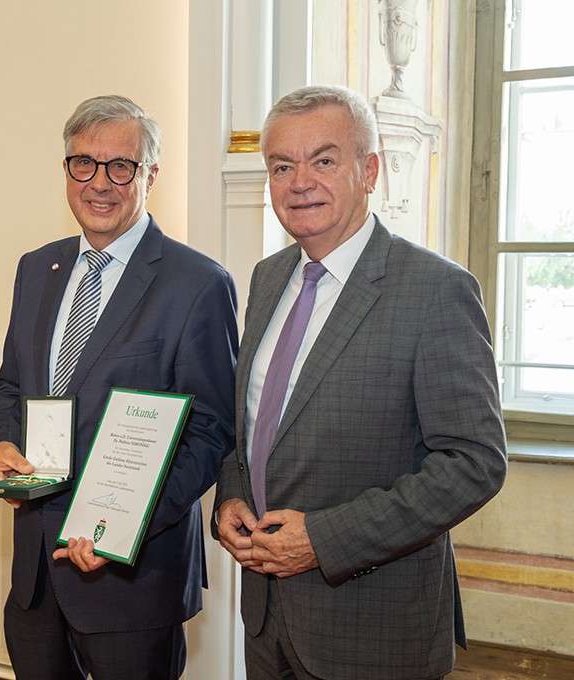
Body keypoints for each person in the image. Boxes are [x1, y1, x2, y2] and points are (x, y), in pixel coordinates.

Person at [214, 84, 507, 680]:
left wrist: (323, 538)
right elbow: (252, 425)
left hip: (372, 625)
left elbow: (474, 462)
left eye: (323, 160)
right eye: (281, 166)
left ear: (369, 170)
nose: (300, 182)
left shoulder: (435, 290)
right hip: (268, 619)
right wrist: (229, 497)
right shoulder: (268, 279)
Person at [0, 95, 239, 680]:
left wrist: (126, 524)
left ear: (150, 175)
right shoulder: (35, 267)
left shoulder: (198, 284)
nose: (100, 182)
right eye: (83, 163)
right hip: (36, 574)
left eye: (121, 166)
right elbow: (13, 387)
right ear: (66, 170)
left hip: (133, 576)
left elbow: (212, 431)